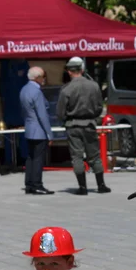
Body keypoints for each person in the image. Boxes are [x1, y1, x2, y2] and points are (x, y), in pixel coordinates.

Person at [57, 57, 110, 195]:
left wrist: (65, 119)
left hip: (73, 124)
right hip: (89, 123)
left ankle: (83, 187)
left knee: (77, 156)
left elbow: (60, 112)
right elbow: (99, 107)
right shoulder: (94, 86)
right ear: (81, 70)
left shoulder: (66, 89)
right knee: (95, 156)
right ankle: (101, 185)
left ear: (69, 71)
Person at [20, 67, 54, 195]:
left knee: (30, 158)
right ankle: (37, 185)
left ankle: (29, 184)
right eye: (43, 76)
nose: (44, 79)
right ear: (37, 77)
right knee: (38, 159)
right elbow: (42, 115)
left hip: (29, 129)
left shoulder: (24, 90)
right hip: (39, 130)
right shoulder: (37, 92)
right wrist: (49, 134)